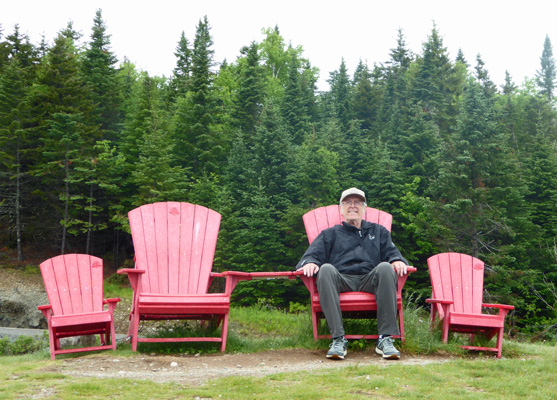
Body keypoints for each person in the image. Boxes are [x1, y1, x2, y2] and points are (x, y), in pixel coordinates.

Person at [296, 187, 410, 360]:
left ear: (365, 207)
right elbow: (310, 255)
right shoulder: (330, 234)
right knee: (325, 269)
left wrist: (397, 260)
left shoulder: (379, 232)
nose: (352, 206)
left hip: (370, 279)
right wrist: (310, 262)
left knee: (386, 267)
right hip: (341, 280)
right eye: (348, 202)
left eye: (357, 202)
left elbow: (393, 253)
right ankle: (338, 340)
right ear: (341, 208)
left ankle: (385, 339)